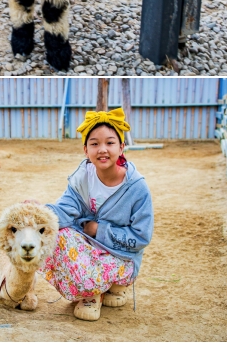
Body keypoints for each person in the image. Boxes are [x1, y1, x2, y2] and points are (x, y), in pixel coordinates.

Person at [40, 109, 154, 322]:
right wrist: (39, 212)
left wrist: (98, 230)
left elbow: (141, 237)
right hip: (86, 253)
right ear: (85, 150)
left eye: (110, 143)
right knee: (56, 233)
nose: (102, 150)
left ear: (121, 147)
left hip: (120, 257)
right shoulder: (82, 178)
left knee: (75, 240)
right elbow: (63, 211)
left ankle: (106, 289)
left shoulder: (137, 188)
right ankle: (91, 291)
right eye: (94, 144)